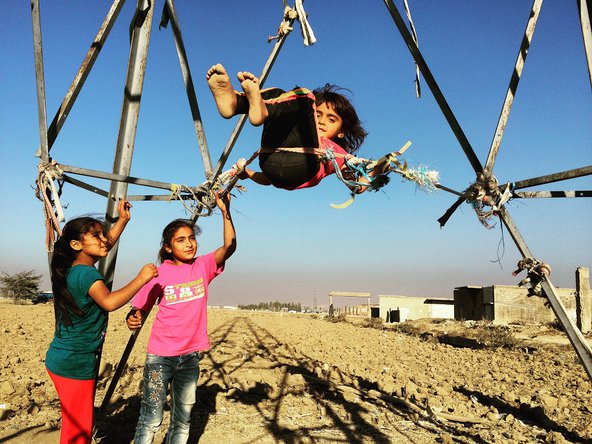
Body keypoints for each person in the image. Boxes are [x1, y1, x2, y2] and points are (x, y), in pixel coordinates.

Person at [126, 191, 236, 444]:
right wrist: (133, 318)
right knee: (151, 417)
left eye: (191, 238)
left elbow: (230, 247)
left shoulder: (203, 266)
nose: (189, 244)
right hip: (160, 357)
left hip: (189, 357)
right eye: (180, 240)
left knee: (182, 417)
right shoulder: (158, 273)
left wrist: (225, 211)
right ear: (168, 246)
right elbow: (138, 310)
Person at [45, 200, 158, 444]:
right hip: (75, 363)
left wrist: (122, 221)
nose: (103, 239)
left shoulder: (76, 268)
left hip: (67, 359)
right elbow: (109, 302)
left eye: (102, 234)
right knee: (78, 432)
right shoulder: (86, 274)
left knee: (76, 424)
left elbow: (104, 245)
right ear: (76, 245)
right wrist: (141, 279)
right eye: (95, 235)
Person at [206, 64, 385, 193]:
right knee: (278, 94)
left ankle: (257, 107)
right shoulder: (292, 136)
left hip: (304, 168)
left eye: (331, 119)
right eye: (318, 115)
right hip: (270, 161)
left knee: (305, 96)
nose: (322, 121)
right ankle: (235, 103)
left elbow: (357, 186)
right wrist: (248, 173)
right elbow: (269, 179)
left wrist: (378, 169)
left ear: (341, 131)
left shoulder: (340, 153)